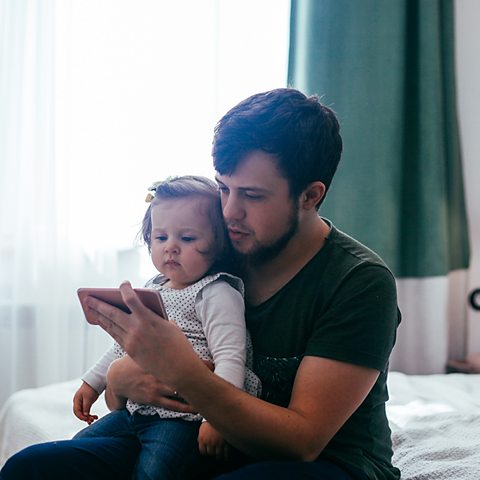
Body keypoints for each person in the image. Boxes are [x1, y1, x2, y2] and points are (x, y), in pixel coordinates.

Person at [1, 87, 401, 480]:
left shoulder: (358, 282)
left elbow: (302, 442)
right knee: (30, 467)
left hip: (325, 463)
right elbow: (121, 395)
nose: (229, 211)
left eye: (252, 196)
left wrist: (182, 372)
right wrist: (120, 380)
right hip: (196, 439)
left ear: (310, 195)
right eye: (223, 188)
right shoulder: (214, 251)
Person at [0, 175, 260, 480]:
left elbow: (231, 357)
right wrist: (92, 384)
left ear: (218, 244)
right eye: (161, 238)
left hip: (183, 418)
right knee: (79, 446)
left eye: (187, 239)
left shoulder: (216, 292)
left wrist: (218, 420)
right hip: (138, 409)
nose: (171, 248)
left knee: (154, 471)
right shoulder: (154, 290)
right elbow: (123, 344)